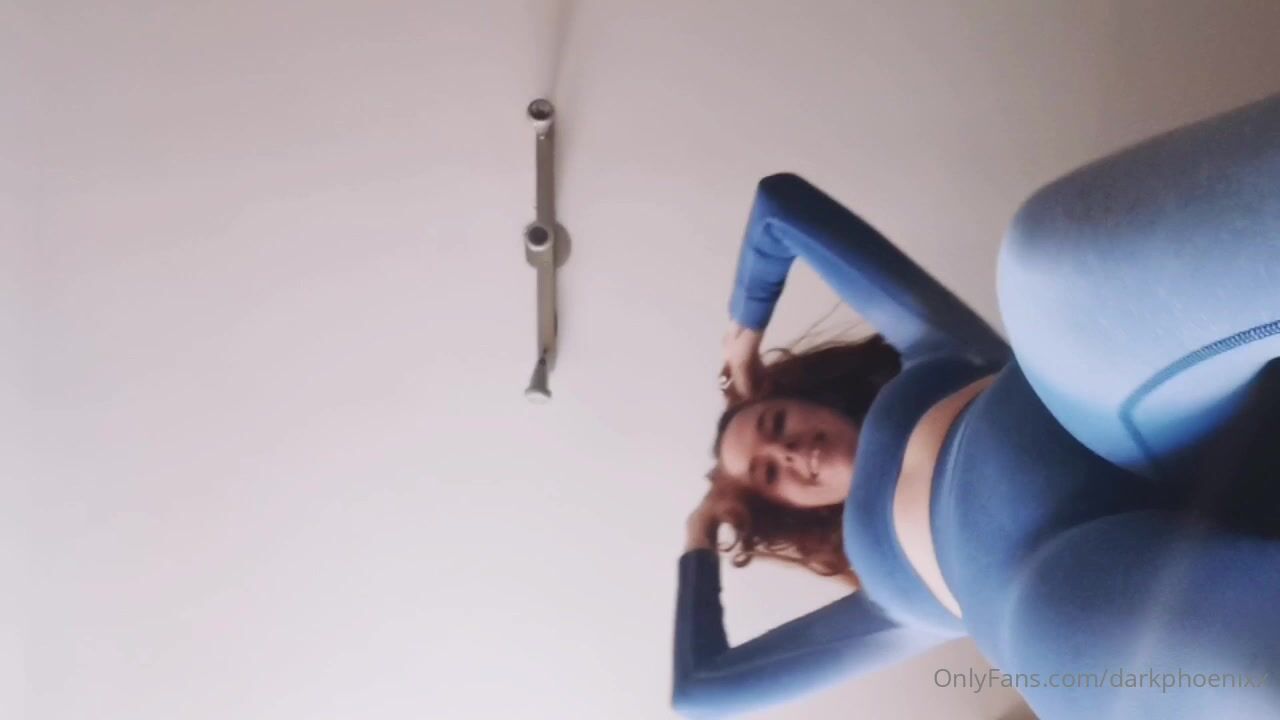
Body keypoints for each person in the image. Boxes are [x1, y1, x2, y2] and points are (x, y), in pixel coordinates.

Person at [672, 91, 1280, 719]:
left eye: (774, 424)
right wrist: (701, 532)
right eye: (768, 474)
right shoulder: (884, 609)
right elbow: (700, 692)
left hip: (1095, 411)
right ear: (788, 509)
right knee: (1173, 664)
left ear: (805, 398)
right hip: (1050, 599)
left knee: (1042, 263)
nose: (787, 450)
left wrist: (743, 334)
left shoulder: (934, 354)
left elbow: (779, 206)